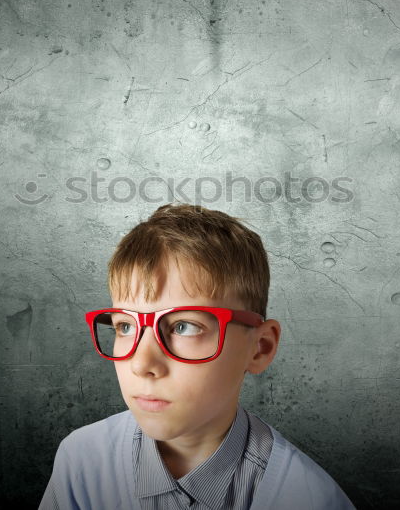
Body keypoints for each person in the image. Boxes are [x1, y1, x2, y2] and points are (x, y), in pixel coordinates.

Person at [39, 203, 355, 509]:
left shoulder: (307, 498)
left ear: (260, 348)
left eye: (184, 326)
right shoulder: (83, 463)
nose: (142, 364)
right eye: (125, 326)